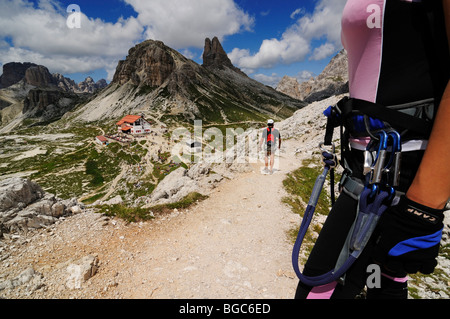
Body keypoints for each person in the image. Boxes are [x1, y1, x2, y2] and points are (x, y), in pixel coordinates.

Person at [294, 0, 450, 299]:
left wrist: (423, 208)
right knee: (382, 283)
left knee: (320, 291)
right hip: (363, 178)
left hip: (397, 184)